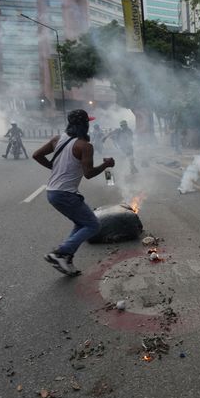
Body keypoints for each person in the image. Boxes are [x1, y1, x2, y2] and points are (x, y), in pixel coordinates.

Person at [32, 109, 115, 276]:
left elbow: (36, 155)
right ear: (85, 124)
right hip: (65, 194)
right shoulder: (85, 146)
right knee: (93, 225)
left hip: (53, 192)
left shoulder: (57, 139)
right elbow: (89, 174)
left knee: (80, 223)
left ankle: (67, 257)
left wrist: (53, 167)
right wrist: (106, 165)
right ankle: (60, 253)